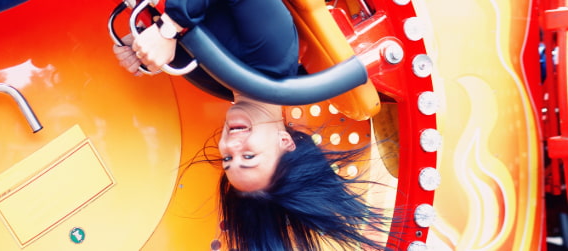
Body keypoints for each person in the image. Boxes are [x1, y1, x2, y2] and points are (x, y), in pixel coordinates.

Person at [113, 0, 394, 250]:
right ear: (286, 142)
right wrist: (168, 27)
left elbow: (180, 38)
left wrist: (140, 48)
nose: (231, 145)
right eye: (248, 156)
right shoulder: (273, 56)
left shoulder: (227, 86)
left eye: (227, 159)